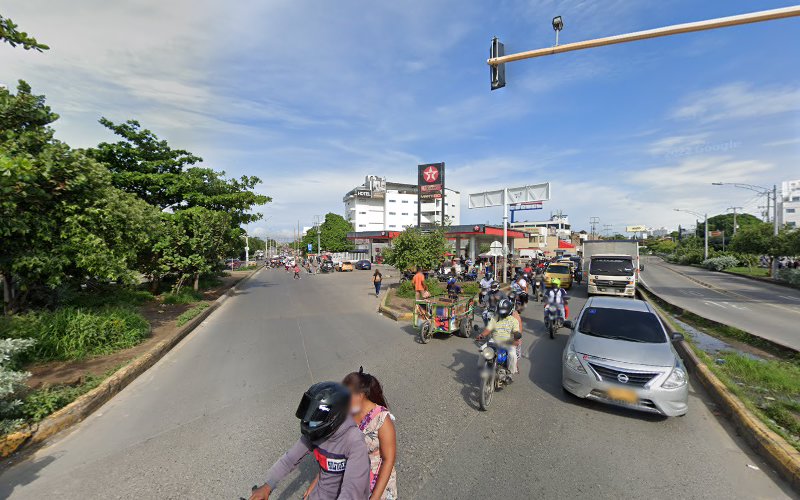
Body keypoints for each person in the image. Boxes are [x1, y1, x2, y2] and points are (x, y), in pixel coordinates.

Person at [250, 382, 370, 500]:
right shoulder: (315, 433)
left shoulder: (354, 441)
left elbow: (352, 490)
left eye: (316, 417)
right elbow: (289, 460)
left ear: (334, 417)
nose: (310, 422)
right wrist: (267, 486)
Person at [343, 368, 397, 500]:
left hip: (378, 487)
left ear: (360, 395)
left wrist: (375, 497)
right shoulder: (347, 414)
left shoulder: (382, 420)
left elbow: (388, 460)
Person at [476, 298, 521, 376]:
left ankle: (510, 372)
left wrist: (517, 336)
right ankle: (481, 367)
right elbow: (488, 329)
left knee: (512, 355)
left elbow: (516, 331)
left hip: (508, 342)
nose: (502, 313)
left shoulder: (514, 321)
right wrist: (482, 335)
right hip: (494, 340)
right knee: (482, 349)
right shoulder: (495, 318)